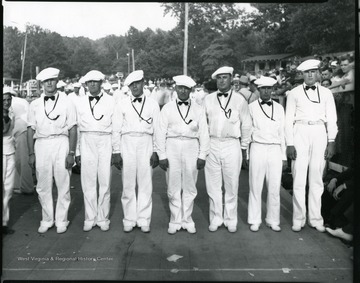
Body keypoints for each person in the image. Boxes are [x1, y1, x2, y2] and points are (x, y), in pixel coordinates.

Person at [285, 59, 338, 233]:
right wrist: (290, 143)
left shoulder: (326, 93)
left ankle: (315, 218)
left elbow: (332, 118)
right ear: (302, 74)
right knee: (299, 176)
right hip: (300, 130)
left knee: (316, 176)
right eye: (306, 72)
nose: (310, 75)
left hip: (319, 132)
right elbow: (287, 121)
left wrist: (331, 141)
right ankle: (298, 218)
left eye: (313, 71)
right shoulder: (293, 93)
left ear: (317, 73)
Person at [156, 75, 210, 235]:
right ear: (176, 89)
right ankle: (175, 219)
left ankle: (187, 219)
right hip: (172, 145)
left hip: (191, 146)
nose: (183, 91)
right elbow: (160, 132)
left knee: (190, 184)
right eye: (180, 87)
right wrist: (162, 155)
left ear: (191, 90)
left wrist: (202, 155)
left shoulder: (199, 108)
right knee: (173, 184)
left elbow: (204, 133)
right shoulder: (167, 108)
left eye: (186, 88)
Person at [27, 67, 77, 234]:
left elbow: (72, 128)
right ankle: (47, 219)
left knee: (63, 182)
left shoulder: (67, 102)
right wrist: (31, 153)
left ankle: (62, 220)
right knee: (43, 184)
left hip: (61, 142)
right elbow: (30, 129)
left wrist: (71, 153)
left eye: (52, 80)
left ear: (56, 81)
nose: (49, 83)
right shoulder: (34, 104)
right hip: (41, 144)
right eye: (46, 81)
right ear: (42, 84)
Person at [203, 66, 252, 233]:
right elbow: (203, 124)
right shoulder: (208, 99)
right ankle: (216, 217)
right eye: (219, 78)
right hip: (212, 143)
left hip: (232, 143)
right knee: (213, 185)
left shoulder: (240, 100)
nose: (222, 81)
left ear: (231, 79)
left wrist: (244, 146)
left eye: (225, 77)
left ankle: (231, 219)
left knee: (232, 183)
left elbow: (246, 125)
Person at [74, 70, 120, 232]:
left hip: (105, 140)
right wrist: (77, 152)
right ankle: (90, 217)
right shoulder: (78, 102)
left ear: (101, 83)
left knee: (105, 181)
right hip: (87, 140)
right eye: (89, 82)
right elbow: (77, 128)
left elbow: (116, 127)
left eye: (95, 81)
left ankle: (103, 217)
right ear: (86, 84)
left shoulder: (111, 101)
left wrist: (116, 150)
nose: (92, 84)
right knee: (88, 182)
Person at [114, 70, 160, 233]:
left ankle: (143, 218)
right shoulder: (122, 104)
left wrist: (156, 151)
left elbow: (158, 129)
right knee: (128, 182)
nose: (135, 87)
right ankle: (129, 218)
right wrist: (116, 151)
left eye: (137, 83)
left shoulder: (153, 104)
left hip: (146, 141)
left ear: (143, 83)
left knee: (145, 182)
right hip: (127, 142)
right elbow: (116, 129)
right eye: (131, 85)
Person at [247, 76, 287, 232]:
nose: (266, 91)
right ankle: (254, 219)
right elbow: (248, 131)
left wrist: (283, 156)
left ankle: (273, 219)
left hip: (275, 149)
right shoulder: (251, 107)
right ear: (258, 89)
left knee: (274, 186)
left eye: (269, 88)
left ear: (272, 90)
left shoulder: (279, 108)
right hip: (257, 147)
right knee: (255, 186)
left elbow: (282, 133)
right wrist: (248, 155)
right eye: (263, 88)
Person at [9, 88, 35, 195]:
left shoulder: (19, 102)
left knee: (22, 161)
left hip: (22, 132)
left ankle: (27, 187)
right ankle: (18, 185)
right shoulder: (20, 101)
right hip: (15, 133)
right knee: (16, 161)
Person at [3, 87, 16, 234]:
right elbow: (4, 130)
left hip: (10, 151)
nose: (7, 102)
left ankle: (4, 222)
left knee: (8, 188)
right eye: (4, 100)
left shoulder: (12, 112)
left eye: (9, 99)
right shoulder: (7, 115)